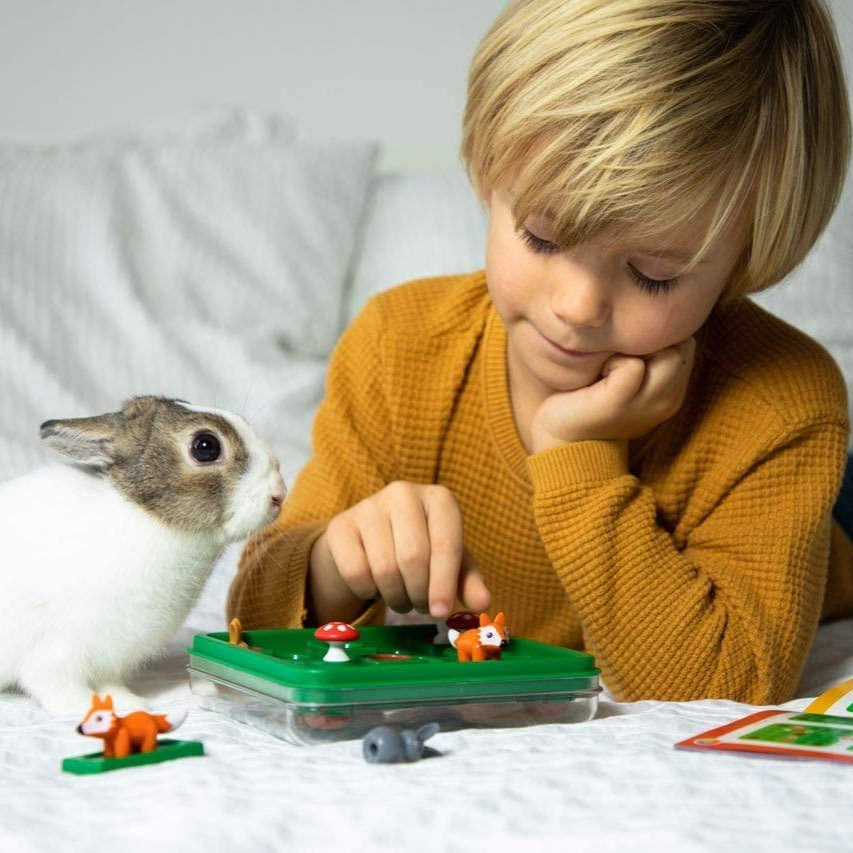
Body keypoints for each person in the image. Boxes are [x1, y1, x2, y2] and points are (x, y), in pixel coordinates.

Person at [228, 0, 853, 703]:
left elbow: (719, 686)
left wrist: (576, 451)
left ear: (742, 265)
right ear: (485, 174)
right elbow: (250, 616)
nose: (576, 306)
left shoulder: (782, 405)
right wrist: (333, 563)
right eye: (542, 237)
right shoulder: (398, 349)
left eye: (653, 273)